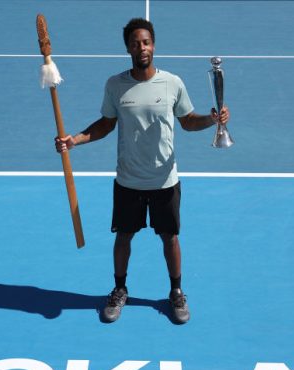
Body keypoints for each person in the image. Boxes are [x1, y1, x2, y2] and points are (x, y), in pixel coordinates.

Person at [54, 18, 229, 324]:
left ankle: (176, 292)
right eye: (135, 43)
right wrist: (75, 140)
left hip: (165, 180)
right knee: (123, 238)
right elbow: (106, 124)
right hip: (129, 180)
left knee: (170, 238)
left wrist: (211, 120)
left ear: (153, 45)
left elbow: (187, 121)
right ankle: (120, 289)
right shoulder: (115, 85)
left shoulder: (172, 83)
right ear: (128, 48)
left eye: (146, 42)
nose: (141, 47)